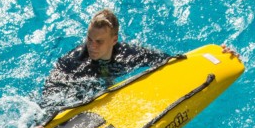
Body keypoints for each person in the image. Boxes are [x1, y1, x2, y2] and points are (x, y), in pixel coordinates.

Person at [42, 8, 174, 110]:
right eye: (89, 39)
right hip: (80, 88)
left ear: (114, 40)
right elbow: (50, 91)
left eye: (99, 42)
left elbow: (165, 59)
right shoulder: (74, 62)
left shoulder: (128, 55)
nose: (92, 46)